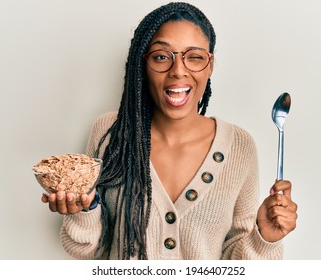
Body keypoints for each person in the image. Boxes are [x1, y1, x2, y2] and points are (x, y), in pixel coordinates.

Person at [41, 2, 297, 260]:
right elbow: (90, 251)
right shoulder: (110, 132)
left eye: (194, 57)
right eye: (162, 57)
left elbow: (236, 265)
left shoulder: (240, 146)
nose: (178, 71)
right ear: (143, 64)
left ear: (210, 65)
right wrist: (84, 209)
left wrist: (264, 237)